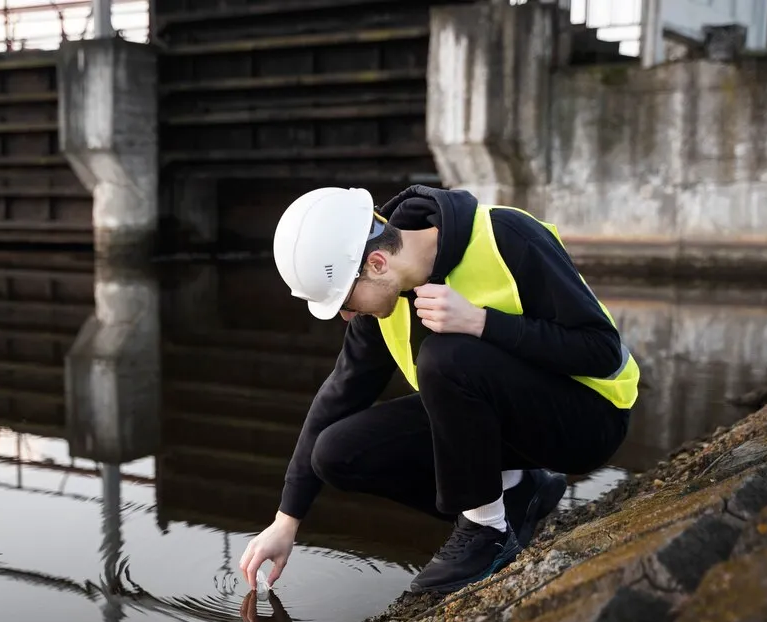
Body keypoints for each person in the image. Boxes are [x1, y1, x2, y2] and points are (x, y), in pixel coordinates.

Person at [238, 184, 639, 595]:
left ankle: (487, 535)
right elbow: (339, 394)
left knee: (444, 356)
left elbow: (602, 351)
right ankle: (518, 492)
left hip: (589, 420)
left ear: (376, 263)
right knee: (337, 453)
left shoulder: (507, 236)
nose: (345, 315)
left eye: (344, 299)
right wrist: (286, 520)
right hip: (512, 429)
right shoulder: (386, 297)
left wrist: (483, 322)